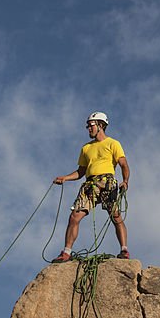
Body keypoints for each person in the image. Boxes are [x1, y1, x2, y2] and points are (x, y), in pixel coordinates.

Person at [51, 111, 130, 262]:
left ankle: (124, 250)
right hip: (89, 184)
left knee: (115, 216)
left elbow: (123, 164)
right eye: (88, 126)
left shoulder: (113, 143)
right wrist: (65, 178)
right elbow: (81, 171)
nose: (88, 128)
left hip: (107, 181)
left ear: (100, 125)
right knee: (74, 217)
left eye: (91, 125)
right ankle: (66, 252)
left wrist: (125, 181)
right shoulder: (86, 148)